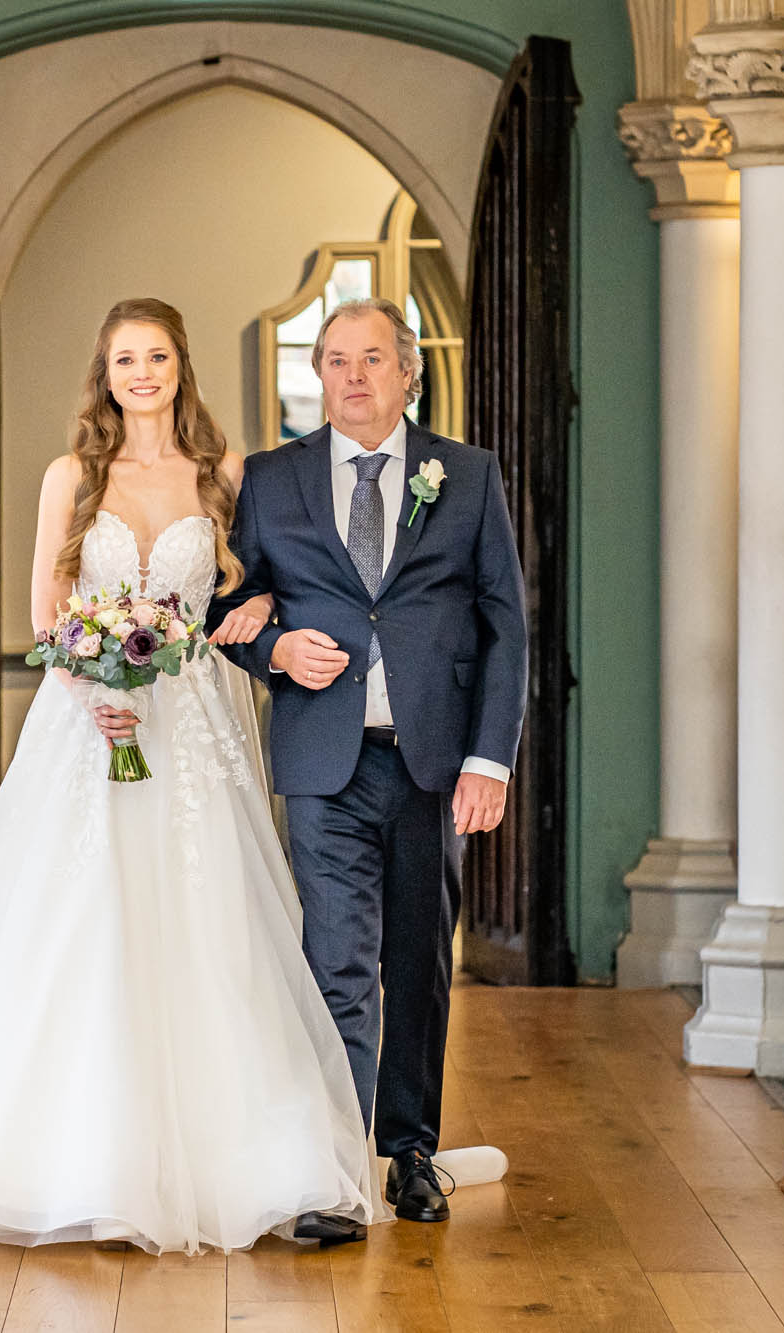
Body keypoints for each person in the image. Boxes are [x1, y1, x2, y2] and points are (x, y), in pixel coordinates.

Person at [0, 298, 374, 1255]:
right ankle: (71, 1155)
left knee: (208, 923)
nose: (141, 373)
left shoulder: (226, 472)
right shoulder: (71, 475)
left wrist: (264, 595)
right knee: (81, 918)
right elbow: (45, 612)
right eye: (123, 359)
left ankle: (231, 1155)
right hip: (90, 719)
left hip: (195, 723)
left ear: (181, 366)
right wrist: (88, 689)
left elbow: (264, 575)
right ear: (104, 374)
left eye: (156, 356)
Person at [213, 297, 528, 1229]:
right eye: (337, 359)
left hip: (433, 762)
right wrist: (273, 653)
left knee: (419, 963)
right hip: (323, 761)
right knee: (337, 961)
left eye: (373, 359)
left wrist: (490, 759)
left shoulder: (465, 476)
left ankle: (410, 1150)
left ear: (409, 373)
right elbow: (226, 611)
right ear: (320, 374)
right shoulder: (273, 479)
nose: (354, 376)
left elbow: (506, 624)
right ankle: (337, 1170)